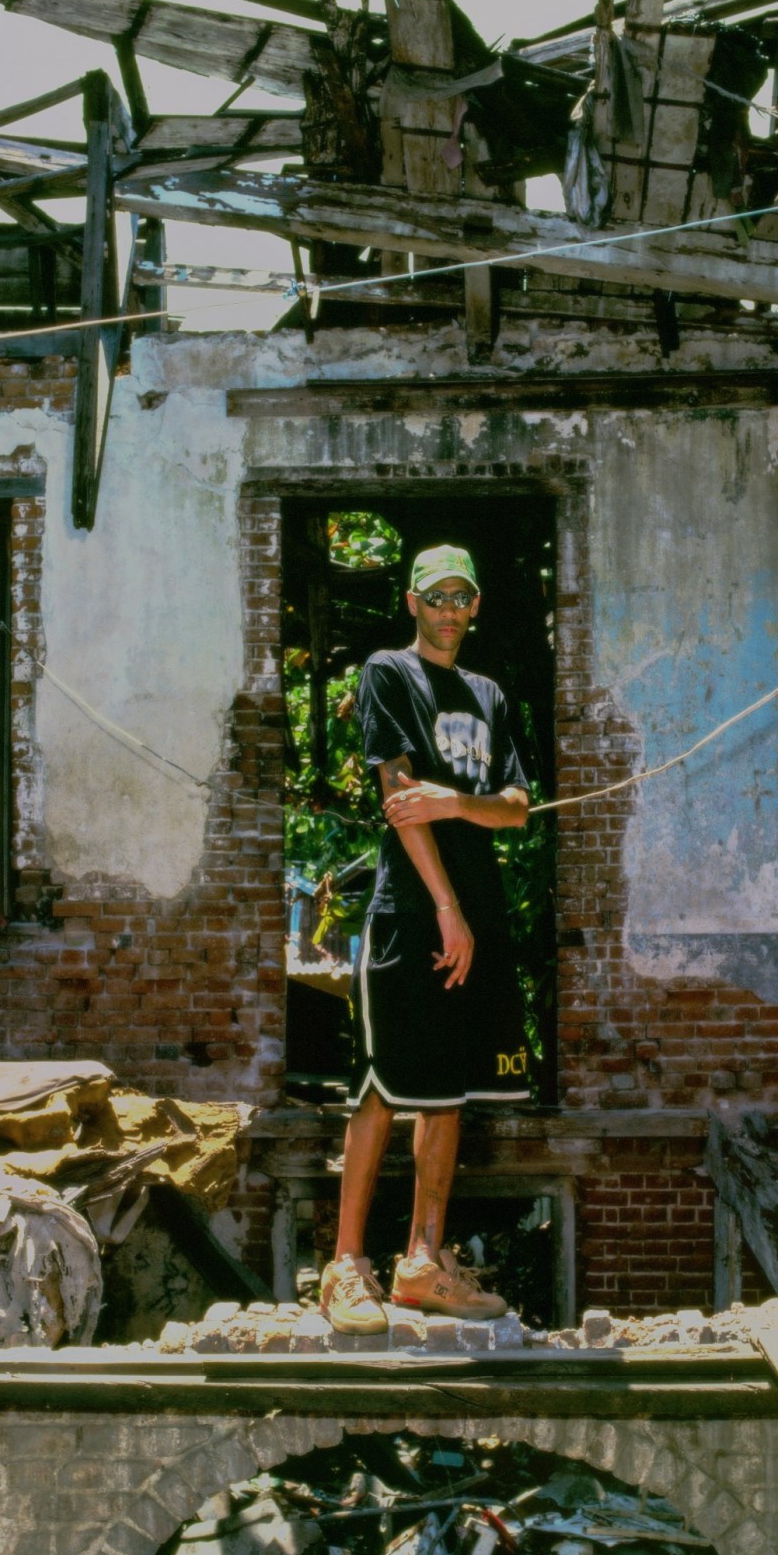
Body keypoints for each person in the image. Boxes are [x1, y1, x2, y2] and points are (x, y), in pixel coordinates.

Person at [319, 545, 532, 1334]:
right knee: (384, 1083)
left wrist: (456, 801)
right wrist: (445, 902)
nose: (448, 610)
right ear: (413, 603)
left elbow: (516, 807)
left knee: (449, 1092)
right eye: (435, 596)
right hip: (415, 911)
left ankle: (422, 1262)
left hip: (476, 910)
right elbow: (400, 800)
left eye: (461, 597)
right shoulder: (388, 673)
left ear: (475, 607)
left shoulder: (489, 695)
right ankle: (346, 1263)